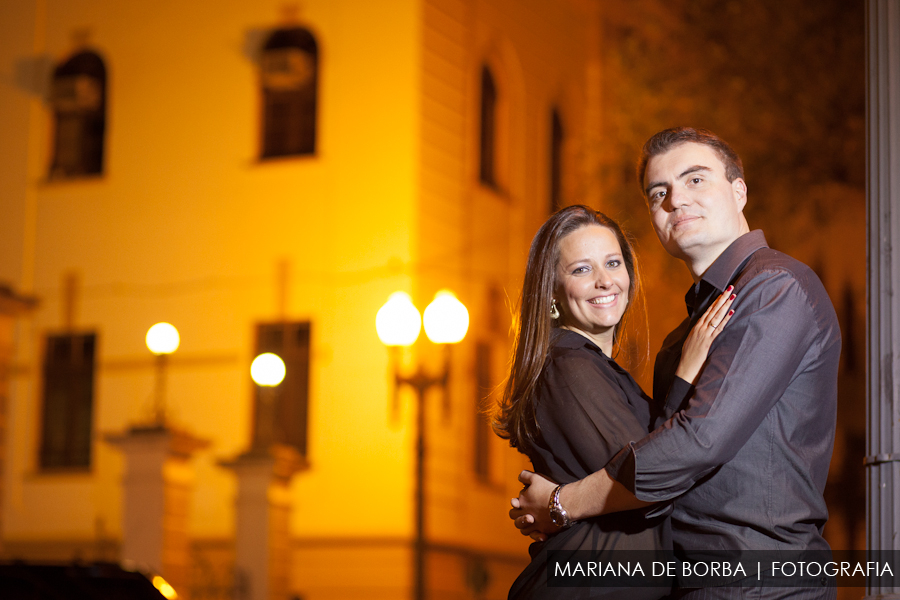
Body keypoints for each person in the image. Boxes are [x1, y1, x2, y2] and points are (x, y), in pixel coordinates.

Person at [509, 128, 841, 599]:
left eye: (695, 180)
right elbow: (657, 447)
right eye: (658, 193)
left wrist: (563, 503)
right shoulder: (682, 338)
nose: (675, 201)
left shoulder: (773, 289)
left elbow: (697, 440)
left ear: (739, 191)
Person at [494, 205, 735, 599]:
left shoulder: (591, 367)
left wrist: (557, 504)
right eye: (581, 270)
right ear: (552, 292)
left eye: (612, 263)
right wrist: (684, 378)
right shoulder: (568, 366)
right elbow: (655, 476)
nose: (605, 281)